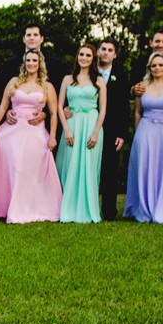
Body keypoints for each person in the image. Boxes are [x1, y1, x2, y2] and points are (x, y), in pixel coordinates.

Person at [0, 49, 62, 223]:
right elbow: (3, 107)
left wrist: (53, 136)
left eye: (34, 60)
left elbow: (53, 113)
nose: (31, 63)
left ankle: (31, 208)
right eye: (28, 60)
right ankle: (12, 209)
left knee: (30, 172)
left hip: (35, 134)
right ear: (24, 62)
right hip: (13, 132)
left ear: (40, 63)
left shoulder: (47, 86)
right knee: (16, 169)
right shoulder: (14, 82)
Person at [124, 53, 163, 223]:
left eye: (160, 65)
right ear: (149, 68)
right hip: (146, 130)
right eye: (154, 65)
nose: (157, 68)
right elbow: (138, 112)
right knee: (146, 167)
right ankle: (144, 207)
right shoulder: (142, 87)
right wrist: (138, 134)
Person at [56, 44, 107, 223]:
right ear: (77, 57)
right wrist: (66, 129)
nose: (84, 58)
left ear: (93, 59)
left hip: (91, 124)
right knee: (69, 165)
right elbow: (59, 106)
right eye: (81, 54)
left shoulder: (99, 80)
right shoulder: (67, 79)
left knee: (89, 167)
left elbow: (103, 109)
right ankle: (68, 208)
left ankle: (87, 209)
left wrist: (96, 132)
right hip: (72, 125)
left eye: (88, 55)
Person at [93, 39, 130, 221]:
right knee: (90, 167)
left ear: (115, 54)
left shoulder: (121, 75)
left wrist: (122, 133)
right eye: (103, 49)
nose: (106, 52)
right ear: (98, 51)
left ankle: (109, 212)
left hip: (112, 130)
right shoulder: (88, 73)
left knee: (110, 170)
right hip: (90, 126)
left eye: (110, 50)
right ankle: (88, 208)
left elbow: (124, 106)